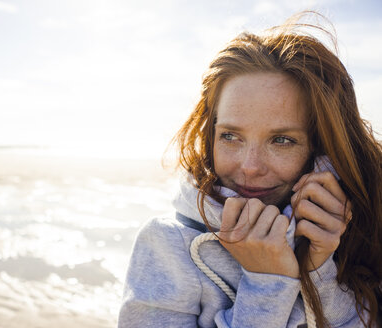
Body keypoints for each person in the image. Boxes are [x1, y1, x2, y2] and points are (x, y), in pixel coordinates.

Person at [118, 12, 381, 328]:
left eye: (281, 140)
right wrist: (267, 284)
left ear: (322, 152)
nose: (250, 167)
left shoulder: (357, 234)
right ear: (210, 135)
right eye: (230, 136)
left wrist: (320, 270)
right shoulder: (167, 246)